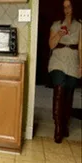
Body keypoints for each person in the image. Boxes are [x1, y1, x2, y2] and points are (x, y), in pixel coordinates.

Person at [48, 0, 81, 143]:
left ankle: (65, 123)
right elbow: (51, 45)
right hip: (58, 60)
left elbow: (81, 48)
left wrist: (81, 66)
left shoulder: (80, 25)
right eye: (64, 7)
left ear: (74, 7)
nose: (66, 9)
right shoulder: (56, 24)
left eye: (69, 6)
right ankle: (58, 127)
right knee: (59, 88)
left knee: (69, 93)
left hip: (73, 61)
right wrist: (59, 35)